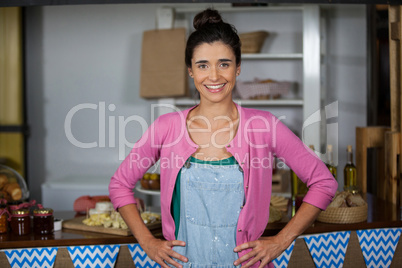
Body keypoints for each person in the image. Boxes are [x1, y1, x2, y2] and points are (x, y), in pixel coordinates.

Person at [109, 8, 338, 268]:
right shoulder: (167, 127)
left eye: (224, 64)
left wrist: (281, 240)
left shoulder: (263, 126)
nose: (214, 76)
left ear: (238, 68)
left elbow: (324, 183)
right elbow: (119, 185)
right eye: (203, 65)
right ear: (190, 71)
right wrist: (148, 242)